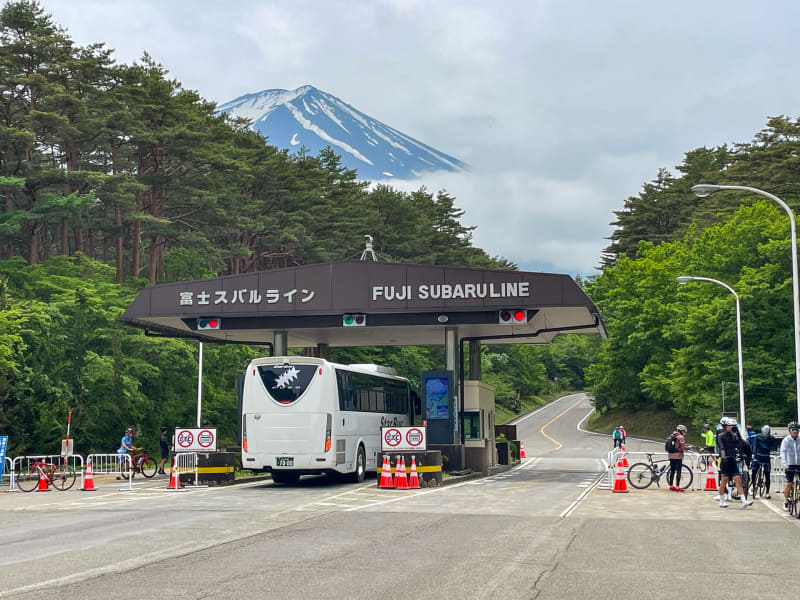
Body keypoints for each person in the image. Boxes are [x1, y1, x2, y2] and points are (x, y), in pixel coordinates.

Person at [716, 417, 753, 508]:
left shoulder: (735, 436)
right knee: (724, 480)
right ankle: (721, 501)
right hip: (725, 461)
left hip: (732, 460)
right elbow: (722, 448)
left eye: (734, 426)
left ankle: (743, 501)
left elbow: (741, 444)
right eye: (730, 426)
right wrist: (724, 457)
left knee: (738, 480)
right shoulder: (721, 435)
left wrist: (738, 434)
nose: (732, 427)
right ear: (726, 426)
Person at [751, 424, 778, 499]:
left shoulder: (772, 438)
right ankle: (753, 486)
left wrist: (767, 447)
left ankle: (767, 492)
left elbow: (775, 447)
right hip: (758, 456)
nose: (765, 436)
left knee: (767, 474)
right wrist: (754, 455)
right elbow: (755, 447)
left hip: (766, 457)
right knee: (754, 471)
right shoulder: (758, 437)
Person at [780, 421, 800, 511]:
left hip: (799, 464)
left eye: (797, 429)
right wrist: (785, 466)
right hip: (790, 465)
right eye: (793, 429)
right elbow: (783, 453)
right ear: (789, 431)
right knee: (789, 484)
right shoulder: (786, 440)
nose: (795, 431)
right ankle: (785, 501)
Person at [667, 424, 691, 492]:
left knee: (672, 471)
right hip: (678, 456)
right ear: (682, 431)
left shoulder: (672, 435)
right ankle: (677, 486)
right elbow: (682, 447)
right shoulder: (681, 437)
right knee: (679, 471)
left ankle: (671, 486)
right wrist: (688, 448)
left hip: (671, 455)